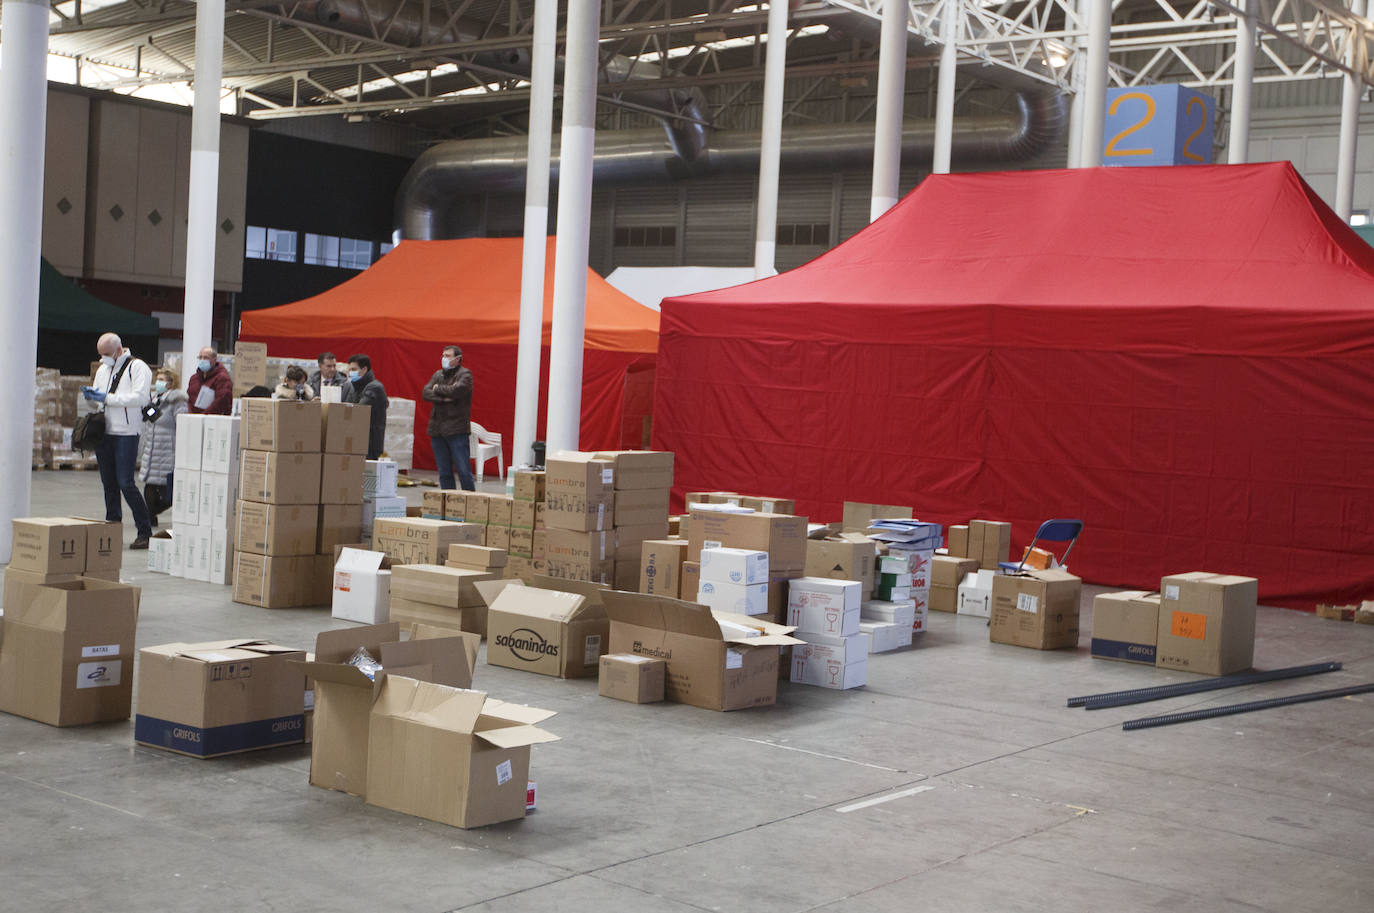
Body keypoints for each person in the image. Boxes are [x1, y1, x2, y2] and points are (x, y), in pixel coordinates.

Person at [83, 333, 154, 549]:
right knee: (109, 484)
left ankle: (145, 531)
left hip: (127, 433)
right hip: (105, 432)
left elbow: (140, 398)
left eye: (106, 354)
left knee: (126, 483)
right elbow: (97, 404)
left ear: (119, 350)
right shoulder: (103, 370)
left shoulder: (138, 367)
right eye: (100, 355)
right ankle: (112, 528)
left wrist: (107, 398)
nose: (103, 358)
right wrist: (91, 398)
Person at [137, 367, 187, 527]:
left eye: (162, 380)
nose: (158, 383)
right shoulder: (153, 399)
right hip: (151, 448)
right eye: (157, 379)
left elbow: (182, 423)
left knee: (168, 491)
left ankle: (154, 511)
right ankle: (149, 517)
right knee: (149, 485)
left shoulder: (177, 401)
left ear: (171, 383)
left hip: (167, 448)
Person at [422, 345, 476, 491]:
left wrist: (438, 389)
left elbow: (457, 390)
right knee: (444, 472)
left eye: (447, 356)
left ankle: (470, 503)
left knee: (464, 471)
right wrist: (443, 399)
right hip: (437, 429)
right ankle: (448, 503)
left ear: (457, 359)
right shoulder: (438, 374)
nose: (444, 358)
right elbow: (425, 392)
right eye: (443, 355)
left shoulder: (465, 374)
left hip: (457, 430)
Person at [343, 353, 388, 460]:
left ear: (364, 370)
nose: (350, 373)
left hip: (370, 443)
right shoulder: (353, 387)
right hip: (355, 439)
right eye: (349, 369)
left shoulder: (374, 387)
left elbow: (358, 412)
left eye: (353, 369)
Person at [186, 346, 233, 414]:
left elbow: (221, 401)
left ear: (214, 359)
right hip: (194, 419)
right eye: (200, 357)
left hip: (214, 420)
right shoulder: (194, 378)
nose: (202, 360)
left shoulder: (222, 378)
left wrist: (203, 416)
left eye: (206, 358)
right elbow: (189, 400)